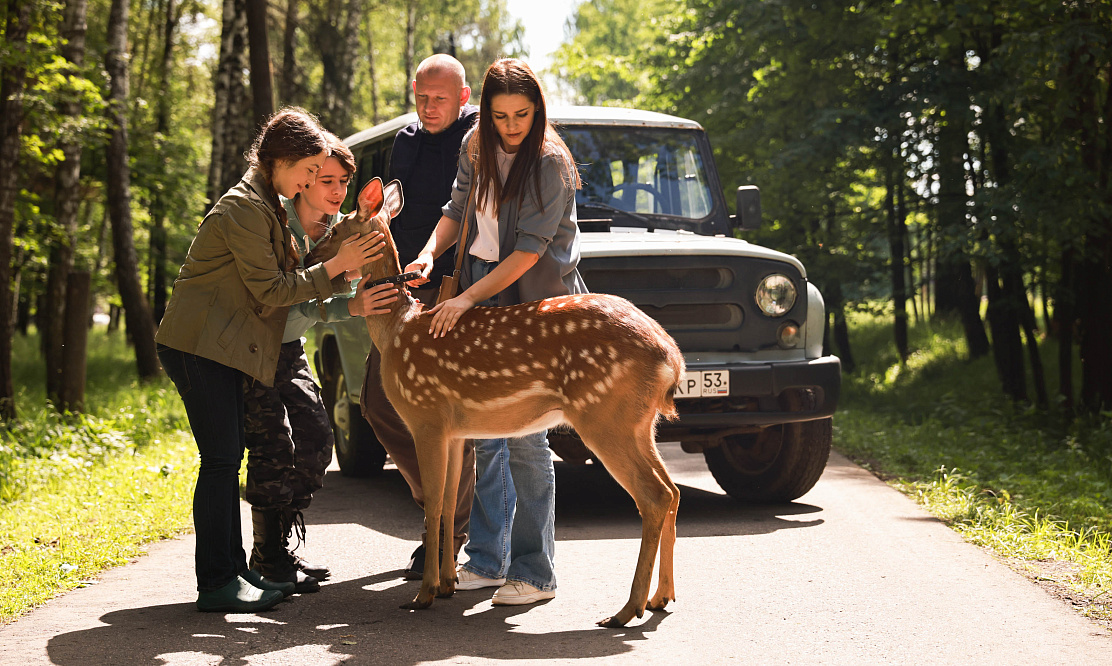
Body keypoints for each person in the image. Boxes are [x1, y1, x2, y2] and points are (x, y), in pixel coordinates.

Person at [155, 107, 388, 613]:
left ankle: (239, 569)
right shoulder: (244, 209)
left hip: (222, 345)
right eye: (309, 170)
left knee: (229, 457)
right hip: (198, 347)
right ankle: (219, 582)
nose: (312, 181)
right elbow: (272, 288)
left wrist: (341, 265)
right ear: (280, 161)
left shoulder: (263, 205)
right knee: (221, 461)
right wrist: (340, 266)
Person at [405, 58, 585, 606]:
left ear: (538, 110)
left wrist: (462, 299)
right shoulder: (474, 147)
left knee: (527, 439)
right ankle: (487, 559)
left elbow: (530, 251)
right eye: (500, 114)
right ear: (482, 111)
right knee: (481, 431)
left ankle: (535, 572)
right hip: (482, 281)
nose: (511, 126)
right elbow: (456, 209)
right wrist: (426, 253)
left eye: (522, 115)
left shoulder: (550, 165)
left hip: (535, 299)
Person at [245, 132, 399, 594]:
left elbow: (331, 294)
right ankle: (267, 557)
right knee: (273, 445)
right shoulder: (276, 225)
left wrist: (355, 287)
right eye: (323, 178)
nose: (334, 190)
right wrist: (341, 294)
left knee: (315, 437)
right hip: (256, 345)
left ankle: (279, 547)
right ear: (302, 181)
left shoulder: (338, 232)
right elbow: (278, 301)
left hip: (289, 346)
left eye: (342, 182)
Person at [358, 53, 480, 579]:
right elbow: (394, 208)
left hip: (452, 290)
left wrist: (447, 274)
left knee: (455, 421)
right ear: (413, 92)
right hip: (398, 287)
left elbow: (470, 212)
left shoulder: (478, 138)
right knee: (377, 402)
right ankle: (434, 508)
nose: (430, 109)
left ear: (463, 98)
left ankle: (447, 535)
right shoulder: (405, 141)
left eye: (441, 100)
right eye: (423, 98)